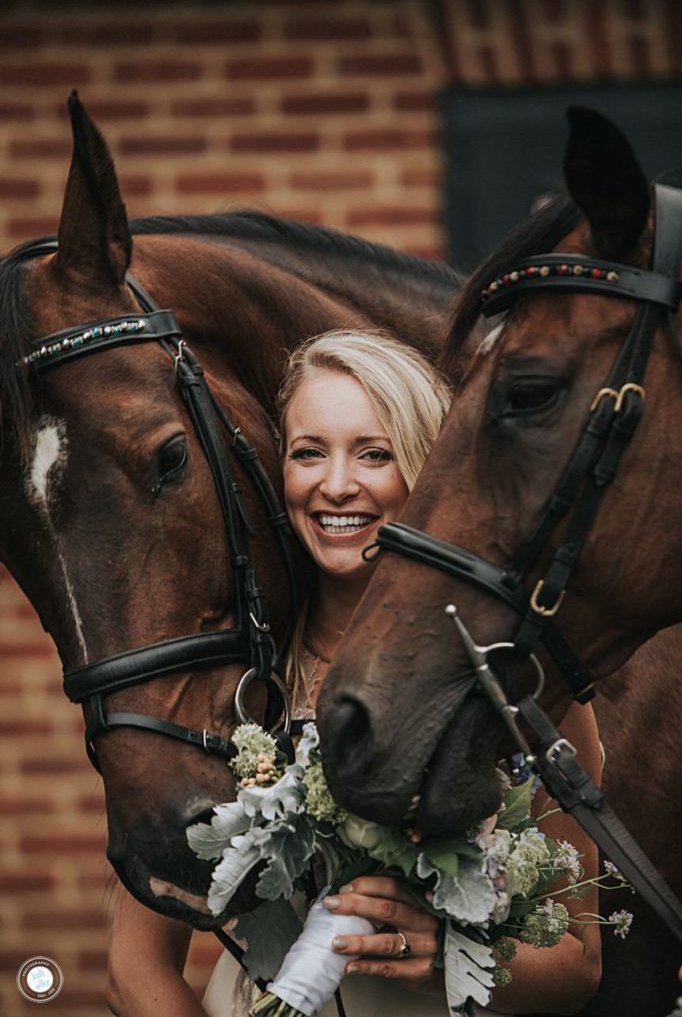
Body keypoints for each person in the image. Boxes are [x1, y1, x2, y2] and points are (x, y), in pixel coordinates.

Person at [107, 331, 602, 1017]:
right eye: (309, 453)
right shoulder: (229, 684)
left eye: (375, 453)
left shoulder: (517, 675)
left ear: (427, 471)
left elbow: (580, 962)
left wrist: (450, 962)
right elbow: (135, 965)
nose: (336, 484)